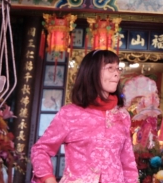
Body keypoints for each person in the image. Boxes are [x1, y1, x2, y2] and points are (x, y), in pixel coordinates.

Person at [31, 50, 138, 183]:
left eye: (118, 68)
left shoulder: (122, 115)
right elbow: (41, 149)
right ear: (92, 72)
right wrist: (48, 178)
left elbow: (128, 164)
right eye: (110, 68)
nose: (116, 73)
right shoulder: (70, 113)